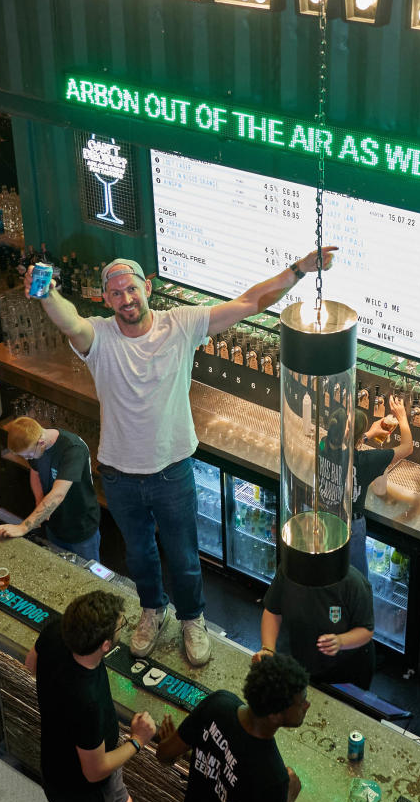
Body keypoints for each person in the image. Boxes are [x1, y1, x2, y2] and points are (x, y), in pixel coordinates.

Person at [27, 245, 336, 668]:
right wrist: (46, 293)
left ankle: (192, 619)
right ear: (105, 300)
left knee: (185, 556)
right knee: (139, 555)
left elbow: (249, 303)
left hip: (172, 470)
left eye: (131, 289)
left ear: (147, 288)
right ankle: (152, 611)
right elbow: (68, 320)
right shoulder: (98, 337)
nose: (126, 299)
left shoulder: (182, 325)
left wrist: (298, 269)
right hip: (118, 474)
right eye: (115, 293)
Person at [25, 588, 157, 802]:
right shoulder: (86, 702)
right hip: (79, 788)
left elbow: (30, 663)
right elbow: (95, 768)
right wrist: (138, 741)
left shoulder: (57, 629)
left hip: (56, 757)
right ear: (104, 645)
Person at [156, 653, 309, 802]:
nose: (307, 705)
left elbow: (164, 755)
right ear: (275, 715)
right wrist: (288, 797)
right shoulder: (274, 777)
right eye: (301, 702)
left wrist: (172, 743)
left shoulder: (218, 704)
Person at [319, 398, 414, 577]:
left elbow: (344, 442)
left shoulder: (323, 444)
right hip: (350, 528)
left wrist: (369, 434)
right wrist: (402, 417)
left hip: (326, 519)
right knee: (356, 578)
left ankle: (330, 603)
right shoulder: (364, 462)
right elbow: (407, 448)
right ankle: (349, 605)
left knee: (329, 571)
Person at [0, 415, 102, 562]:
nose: (28, 459)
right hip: (54, 525)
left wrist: (23, 527)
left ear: (41, 443)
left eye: (29, 455)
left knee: (90, 576)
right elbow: (35, 472)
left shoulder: (72, 449)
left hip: (80, 527)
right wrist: (40, 500)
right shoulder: (36, 448)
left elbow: (58, 494)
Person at [260, 560, 375, 690]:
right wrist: (268, 649)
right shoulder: (289, 570)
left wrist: (341, 641)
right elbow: (272, 611)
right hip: (300, 661)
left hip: (344, 670)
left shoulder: (354, 583)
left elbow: (366, 630)